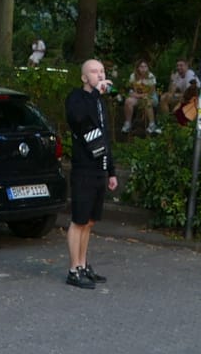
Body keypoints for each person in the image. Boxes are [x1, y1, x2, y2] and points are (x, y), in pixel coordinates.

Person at [63, 59, 117, 290]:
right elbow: (78, 119)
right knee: (79, 220)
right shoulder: (77, 98)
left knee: (90, 221)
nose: (99, 75)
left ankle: (83, 264)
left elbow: (105, 139)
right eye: (94, 72)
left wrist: (111, 171)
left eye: (102, 71)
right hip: (83, 169)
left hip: (99, 170)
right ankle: (73, 269)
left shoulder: (100, 103)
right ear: (85, 77)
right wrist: (94, 94)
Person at [122, 59, 158, 134]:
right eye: (141, 67)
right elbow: (131, 91)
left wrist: (141, 95)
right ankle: (128, 124)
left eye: (145, 66)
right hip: (138, 97)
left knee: (146, 100)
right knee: (128, 101)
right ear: (137, 68)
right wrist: (139, 95)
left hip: (150, 97)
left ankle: (152, 125)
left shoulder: (151, 76)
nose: (143, 68)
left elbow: (151, 92)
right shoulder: (133, 76)